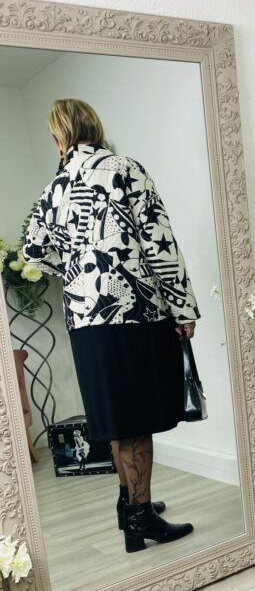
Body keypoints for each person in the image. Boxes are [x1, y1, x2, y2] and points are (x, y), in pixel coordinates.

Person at [23, 98, 199, 554]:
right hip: (132, 313)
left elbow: (33, 251)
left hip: (84, 322)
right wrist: (183, 307)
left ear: (60, 137)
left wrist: (78, 269)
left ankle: (131, 505)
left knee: (120, 418)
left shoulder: (54, 187)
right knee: (137, 421)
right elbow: (159, 243)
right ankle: (141, 519)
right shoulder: (124, 168)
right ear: (93, 127)